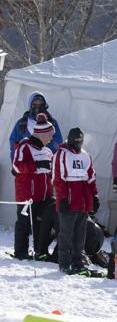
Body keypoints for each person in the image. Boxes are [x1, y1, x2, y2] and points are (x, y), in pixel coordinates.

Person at [53, 127, 99, 275]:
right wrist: (62, 198)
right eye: (76, 140)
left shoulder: (85, 155)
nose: (78, 143)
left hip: (83, 199)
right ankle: (64, 263)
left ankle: (77, 262)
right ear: (70, 139)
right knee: (65, 234)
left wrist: (94, 195)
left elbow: (91, 176)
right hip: (69, 198)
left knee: (81, 233)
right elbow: (58, 179)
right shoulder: (61, 154)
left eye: (80, 140)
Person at [11, 114, 56, 260]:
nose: (51, 139)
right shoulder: (24, 147)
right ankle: (21, 252)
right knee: (24, 223)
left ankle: (39, 251)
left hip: (44, 196)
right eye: (50, 135)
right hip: (26, 196)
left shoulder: (47, 151)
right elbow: (17, 167)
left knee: (41, 224)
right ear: (42, 135)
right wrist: (36, 165)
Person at [8, 91, 63, 159]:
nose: (38, 107)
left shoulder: (52, 122)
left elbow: (58, 143)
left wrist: (44, 153)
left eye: (41, 104)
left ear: (45, 105)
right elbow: (14, 145)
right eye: (35, 104)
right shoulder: (22, 123)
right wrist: (16, 163)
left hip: (47, 163)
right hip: (26, 164)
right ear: (30, 105)